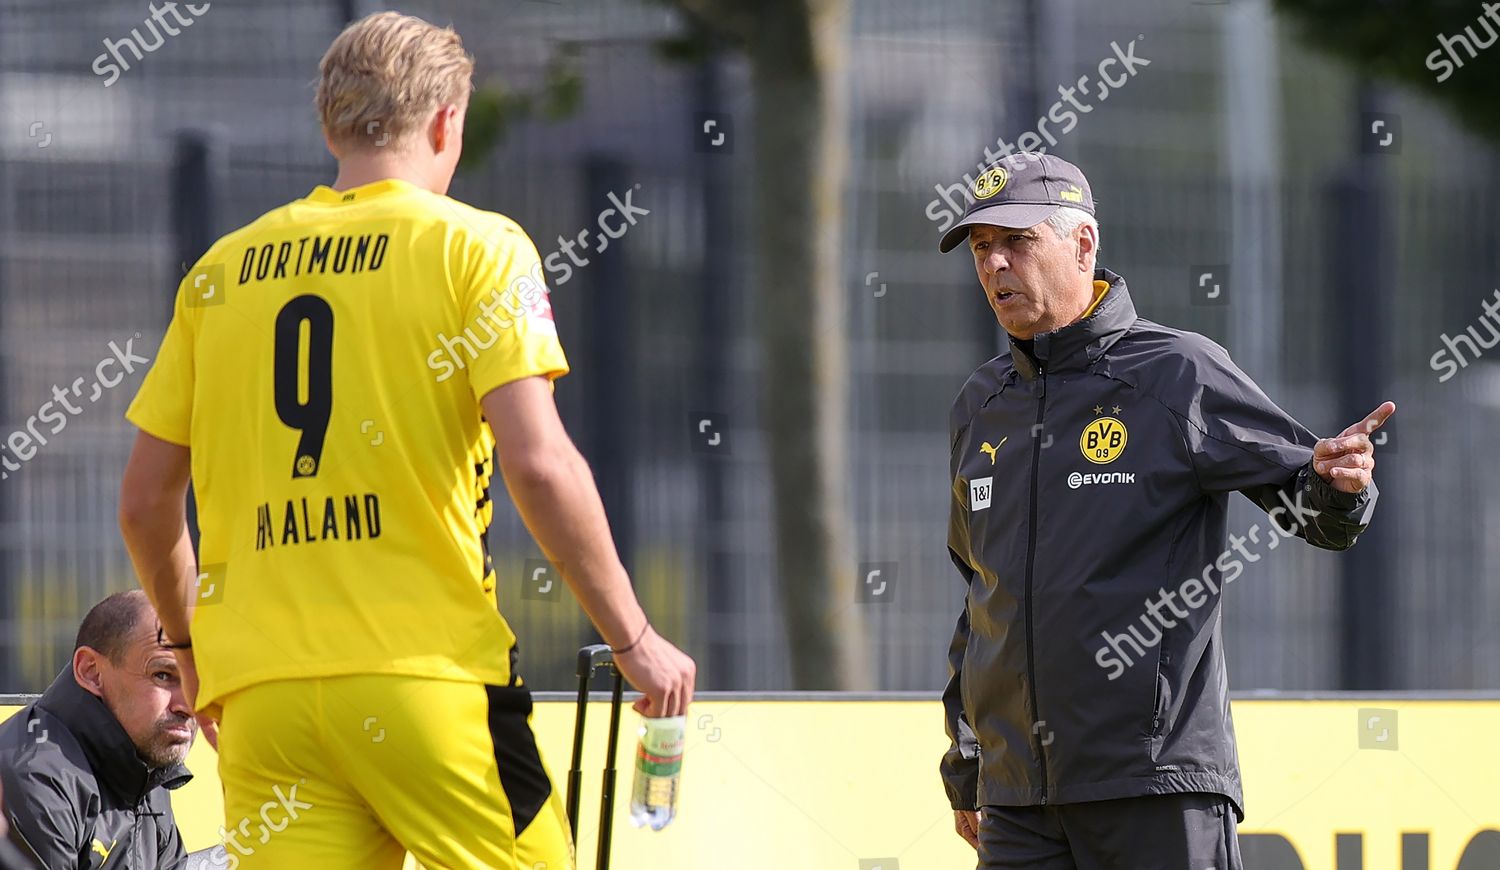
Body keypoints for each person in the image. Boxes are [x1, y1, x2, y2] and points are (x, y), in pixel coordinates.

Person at [117, 11, 695, 869]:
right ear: (445, 120)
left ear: (328, 123)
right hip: (430, 684)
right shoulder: (478, 247)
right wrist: (632, 637)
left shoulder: (221, 272)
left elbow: (144, 502)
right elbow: (538, 462)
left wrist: (193, 646)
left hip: (265, 704)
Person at [936, 152, 1392, 869]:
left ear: (1083, 245)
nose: (995, 266)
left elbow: (1313, 510)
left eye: (1017, 242)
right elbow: (979, 596)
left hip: (1154, 785)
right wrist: (968, 764)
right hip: (1019, 800)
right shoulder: (980, 404)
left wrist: (1340, 487)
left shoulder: (1177, 372)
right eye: (982, 248)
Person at [0, 591, 194, 869]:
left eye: (196, 680)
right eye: (163, 675)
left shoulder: (144, 761)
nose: (188, 704)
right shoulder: (35, 775)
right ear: (91, 671)